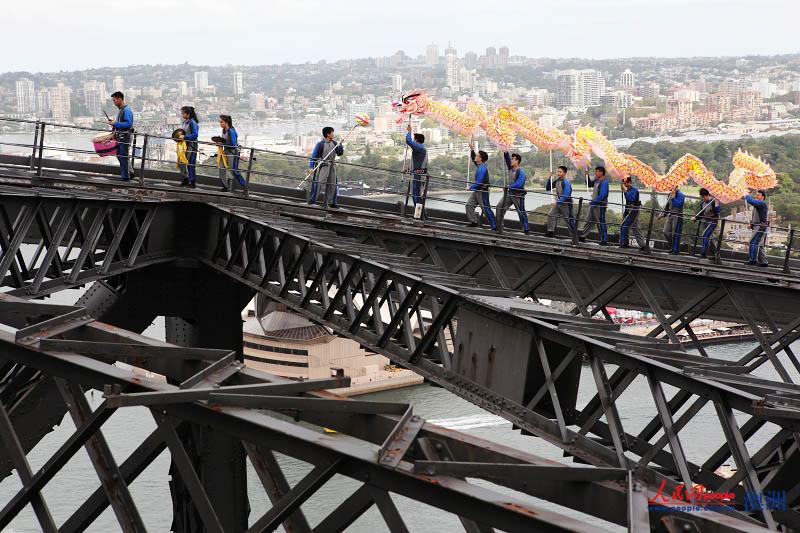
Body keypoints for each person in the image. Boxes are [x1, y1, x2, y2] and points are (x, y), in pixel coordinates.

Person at [308, 126, 344, 207]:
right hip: (324, 165)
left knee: (333, 184)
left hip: (332, 166)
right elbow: (314, 157)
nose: (333, 134)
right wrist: (311, 167)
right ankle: (312, 200)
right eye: (332, 133)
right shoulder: (320, 144)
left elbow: (340, 153)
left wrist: (340, 144)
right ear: (328, 134)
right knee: (319, 183)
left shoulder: (334, 143)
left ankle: (332, 203)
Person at [465, 143, 497, 231]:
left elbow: (479, 182)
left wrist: (470, 187)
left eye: (477, 156)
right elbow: (473, 158)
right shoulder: (479, 165)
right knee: (469, 205)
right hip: (477, 191)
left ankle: (494, 226)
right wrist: (472, 150)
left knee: (486, 209)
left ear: (481, 159)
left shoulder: (482, 168)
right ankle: (474, 222)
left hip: (483, 192)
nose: (476, 157)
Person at [496, 151, 529, 234]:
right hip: (510, 193)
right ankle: (500, 227)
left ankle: (526, 229)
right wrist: (505, 151)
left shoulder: (521, 171)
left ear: (517, 161)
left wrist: (509, 186)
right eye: (511, 159)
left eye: (513, 159)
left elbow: (519, 183)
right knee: (499, 207)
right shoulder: (511, 168)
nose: (511, 161)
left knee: (521, 212)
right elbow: (507, 159)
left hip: (518, 195)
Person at [579, 166, 609, 245]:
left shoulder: (604, 182)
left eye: (597, 172)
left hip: (600, 206)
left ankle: (604, 240)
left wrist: (594, 202)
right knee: (589, 221)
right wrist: (587, 176)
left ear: (601, 172)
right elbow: (589, 184)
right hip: (593, 204)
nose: (595, 173)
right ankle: (583, 236)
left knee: (600, 222)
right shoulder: (596, 180)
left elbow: (602, 195)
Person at [108, 91, 133, 181]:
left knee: (123, 156)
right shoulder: (121, 110)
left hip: (125, 136)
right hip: (121, 136)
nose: (114, 102)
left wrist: (116, 123)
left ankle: (126, 176)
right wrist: (115, 124)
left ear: (119, 99)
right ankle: (127, 173)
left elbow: (128, 123)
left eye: (114, 100)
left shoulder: (126, 110)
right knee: (120, 155)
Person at [217, 115, 246, 191]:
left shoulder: (231, 131)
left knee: (233, 171)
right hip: (226, 152)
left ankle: (244, 186)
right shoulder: (224, 131)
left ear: (226, 122)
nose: (220, 123)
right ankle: (225, 186)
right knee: (221, 168)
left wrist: (222, 144)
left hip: (232, 152)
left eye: (221, 122)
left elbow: (233, 144)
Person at [545, 165, 575, 237]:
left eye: (560, 172)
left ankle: (574, 236)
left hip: (566, 203)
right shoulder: (557, 181)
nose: (558, 173)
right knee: (551, 214)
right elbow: (548, 188)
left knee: (568, 220)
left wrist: (557, 202)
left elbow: (566, 195)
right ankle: (550, 232)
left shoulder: (566, 182)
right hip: (558, 203)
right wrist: (549, 178)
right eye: (558, 171)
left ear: (564, 173)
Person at [619, 177, 648, 251]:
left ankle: (624, 243)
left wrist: (625, 191)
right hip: (629, 210)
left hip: (633, 211)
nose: (624, 184)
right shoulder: (628, 189)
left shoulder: (634, 190)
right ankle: (643, 245)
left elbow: (631, 199)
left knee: (624, 225)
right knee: (636, 228)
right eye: (623, 183)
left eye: (625, 183)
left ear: (629, 182)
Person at [744, 189, 769, 267]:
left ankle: (753, 260)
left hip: (760, 226)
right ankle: (764, 262)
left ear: (763, 197)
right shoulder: (759, 205)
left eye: (758, 195)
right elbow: (755, 216)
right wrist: (752, 224)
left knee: (753, 242)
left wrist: (746, 195)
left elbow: (751, 201)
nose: (756, 196)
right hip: (759, 226)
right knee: (760, 244)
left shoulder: (762, 203)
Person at [694, 188, 721, 258]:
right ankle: (715, 253)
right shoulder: (703, 203)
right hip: (706, 222)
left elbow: (717, 211)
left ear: (706, 196)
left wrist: (717, 204)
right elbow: (701, 213)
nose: (702, 199)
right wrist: (696, 218)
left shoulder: (713, 201)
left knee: (705, 235)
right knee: (708, 237)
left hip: (712, 222)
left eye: (703, 197)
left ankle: (703, 254)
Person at [405, 124, 427, 206]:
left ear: (417, 140)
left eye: (414, 139)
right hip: (417, 174)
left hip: (418, 175)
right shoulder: (420, 149)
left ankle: (419, 215)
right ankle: (419, 214)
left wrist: (409, 131)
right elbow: (416, 164)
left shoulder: (419, 148)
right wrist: (407, 171)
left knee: (416, 196)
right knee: (416, 196)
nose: (413, 141)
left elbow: (408, 141)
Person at [660, 185, 685, 254]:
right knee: (666, 232)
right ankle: (672, 246)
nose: (671, 189)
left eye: (673, 187)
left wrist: (673, 197)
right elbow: (667, 206)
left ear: (676, 187)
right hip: (670, 216)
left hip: (677, 217)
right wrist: (663, 214)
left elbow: (678, 204)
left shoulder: (681, 195)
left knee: (675, 234)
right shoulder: (669, 195)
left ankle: (675, 250)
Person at [180, 106, 200, 188]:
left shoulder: (192, 122)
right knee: (182, 162)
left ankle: (192, 181)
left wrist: (185, 137)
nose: (182, 115)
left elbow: (195, 134)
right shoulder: (185, 122)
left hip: (192, 145)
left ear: (188, 114)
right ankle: (185, 178)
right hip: (185, 145)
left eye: (183, 113)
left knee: (190, 164)